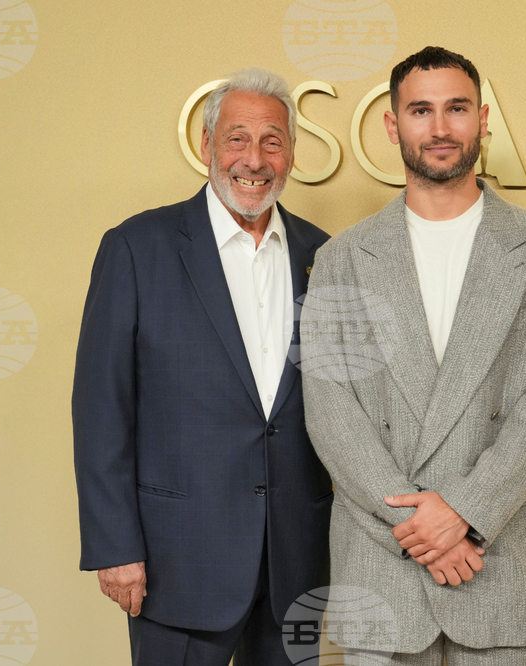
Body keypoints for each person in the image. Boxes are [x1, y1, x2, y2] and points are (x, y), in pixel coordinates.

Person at [300, 47, 526, 665]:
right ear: (392, 124)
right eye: (420, 110)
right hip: (382, 570)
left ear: (482, 119)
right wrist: (421, 529)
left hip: (499, 560)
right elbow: (331, 411)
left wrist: (465, 511)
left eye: (456, 109)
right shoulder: (342, 258)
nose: (439, 128)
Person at [73, 68, 333, 666]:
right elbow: (101, 407)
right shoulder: (137, 247)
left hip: (295, 561)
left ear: (292, 154)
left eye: (272, 141)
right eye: (237, 138)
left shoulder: (324, 255)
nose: (254, 159)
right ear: (208, 145)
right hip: (178, 561)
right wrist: (115, 546)